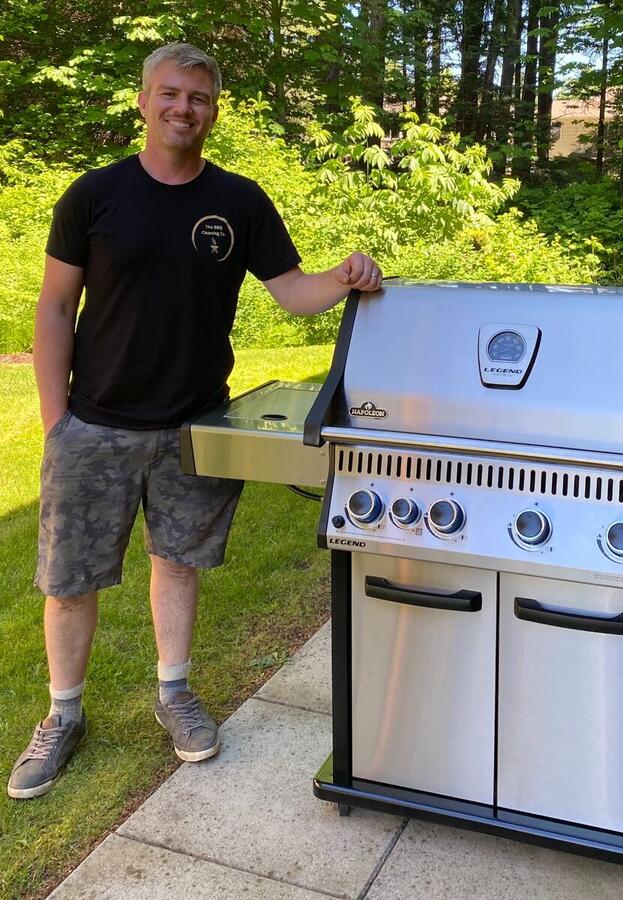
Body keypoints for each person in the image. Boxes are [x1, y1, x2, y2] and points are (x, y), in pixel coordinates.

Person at [7, 43, 383, 799]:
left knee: (177, 564)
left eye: (200, 97)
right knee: (71, 580)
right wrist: (56, 420)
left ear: (214, 110)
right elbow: (53, 308)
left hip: (193, 425)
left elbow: (293, 292)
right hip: (95, 424)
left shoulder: (240, 200)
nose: (184, 108)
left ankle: (174, 692)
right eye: (171, 94)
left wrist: (347, 278)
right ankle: (62, 715)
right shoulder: (94, 194)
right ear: (143, 101)